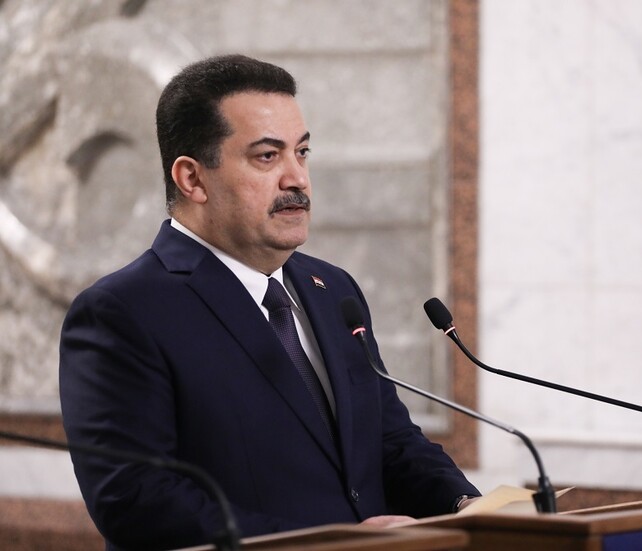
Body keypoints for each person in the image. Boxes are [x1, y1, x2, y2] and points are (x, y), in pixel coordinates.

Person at [59, 54, 480, 551]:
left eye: (302, 153)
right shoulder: (123, 312)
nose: (297, 178)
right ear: (192, 179)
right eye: (267, 156)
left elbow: (388, 440)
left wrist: (466, 505)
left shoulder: (333, 289)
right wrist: (329, 544)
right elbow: (137, 500)